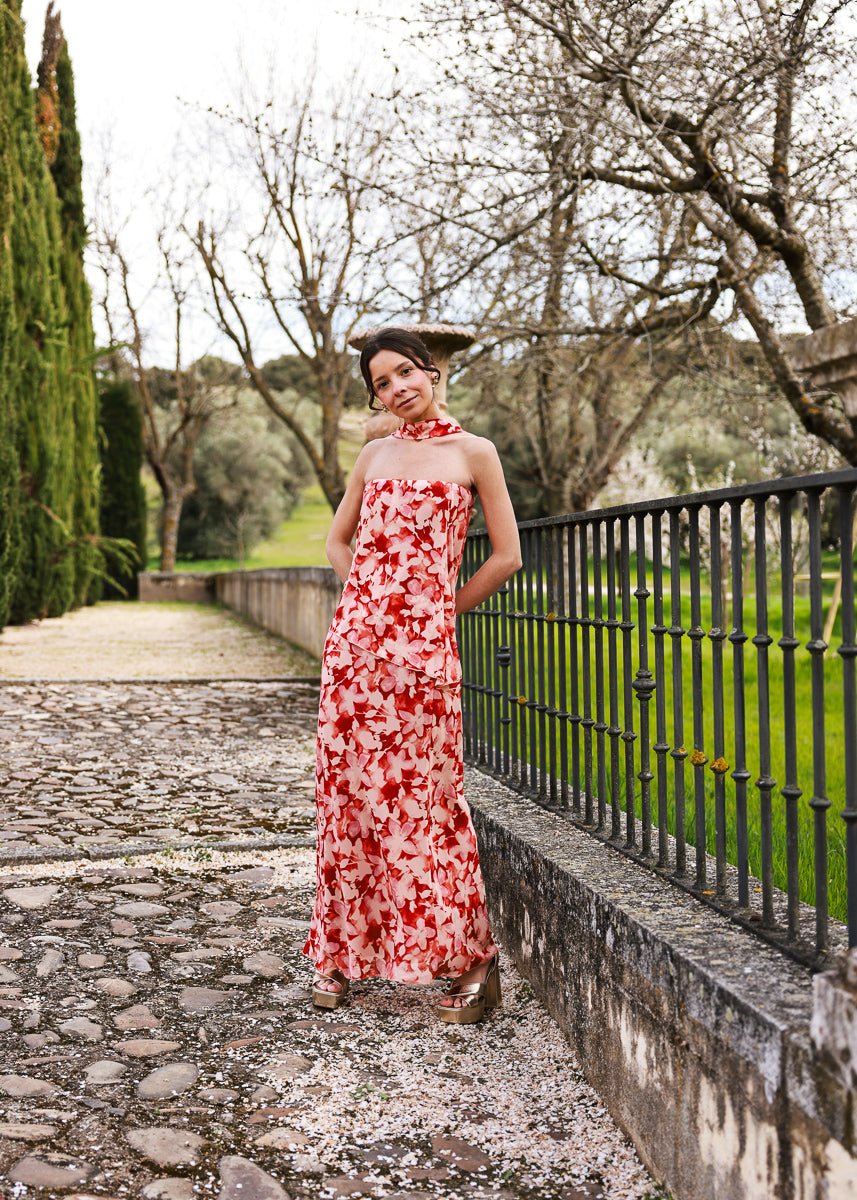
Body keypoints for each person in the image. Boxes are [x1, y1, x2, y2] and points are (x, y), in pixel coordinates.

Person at [301, 327, 522, 1024]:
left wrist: (435, 612)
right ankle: (339, 957)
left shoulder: (473, 453)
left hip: (423, 658)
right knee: (348, 801)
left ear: (429, 372)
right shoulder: (372, 455)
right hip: (355, 653)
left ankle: (472, 963)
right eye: (382, 384)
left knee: (429, 801)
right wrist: (368, 598)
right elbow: (338, 542)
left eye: (405, 373)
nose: (397, 389)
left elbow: (507, 556)